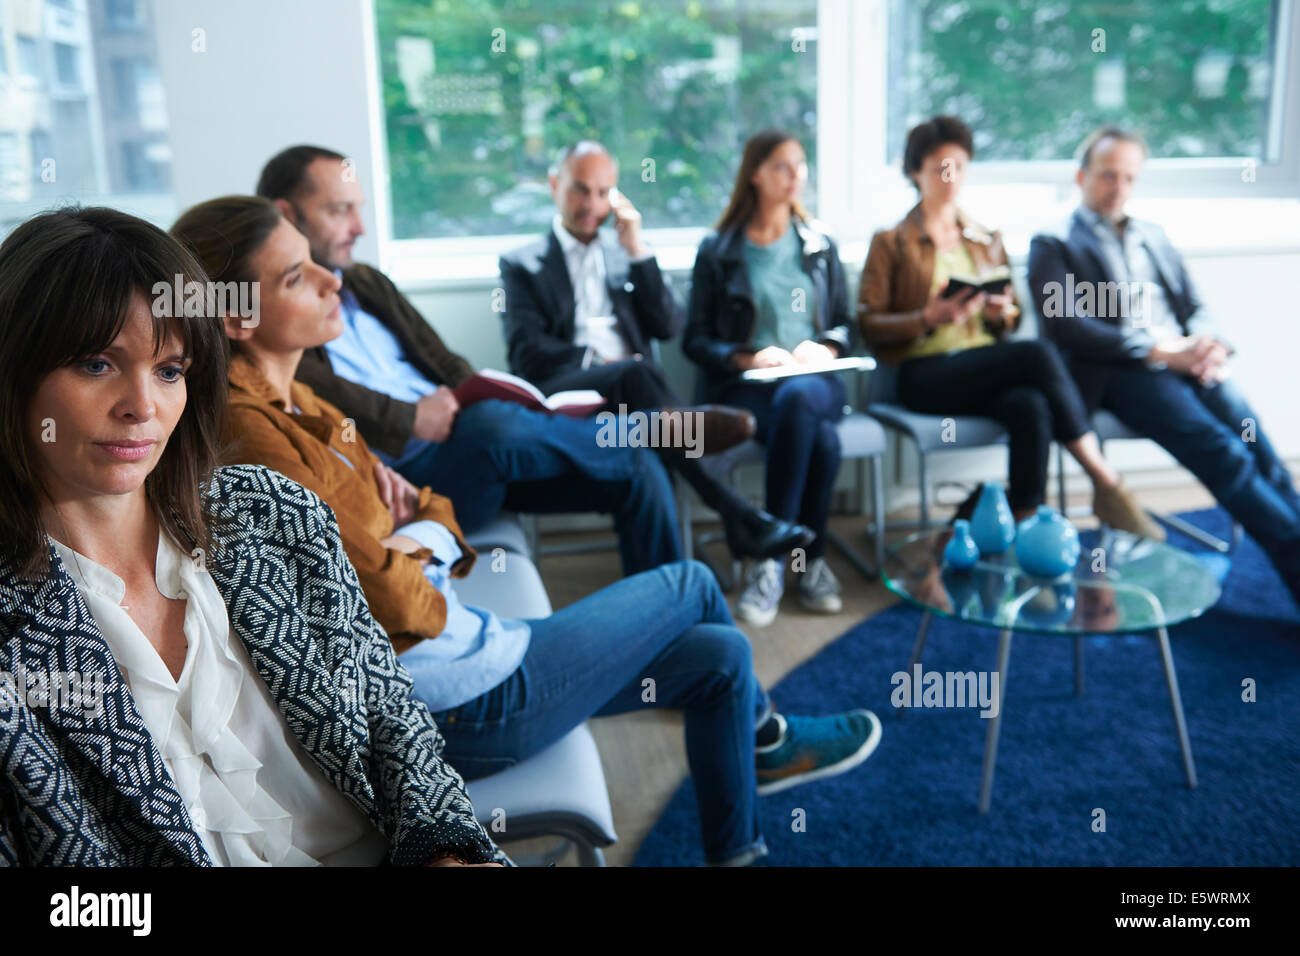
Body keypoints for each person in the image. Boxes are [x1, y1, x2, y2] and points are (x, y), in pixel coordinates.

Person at [170, 195, 884, 867]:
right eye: (299, 276)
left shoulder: (302, 401)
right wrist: (414, 541)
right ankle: (771, 738)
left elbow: (429, 508)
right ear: (236, 318)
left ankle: (741, 842)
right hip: (456, 708)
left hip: (470, 651)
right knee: (694, 581)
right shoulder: (251, 435)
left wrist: (416, 537)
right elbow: (393, 601)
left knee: (724, 654)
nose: (334, 280)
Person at [0, 207, 505, 866]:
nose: (142, 406)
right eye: (98, 364)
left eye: (170, 370)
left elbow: (392, 721)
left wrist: (446, 853)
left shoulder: (273, 516)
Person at [252, 146, 684, 576]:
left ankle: (674, 607)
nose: (360, 227)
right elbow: (319, 395)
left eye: (358, 210)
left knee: (639, 471)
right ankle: (651, 431)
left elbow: (440, 356)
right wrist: (413, 418)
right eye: (339, 211)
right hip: (417, 475)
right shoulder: (272, 317)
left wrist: (473, 393)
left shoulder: (365, 282)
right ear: (287, 215)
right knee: (494, 426)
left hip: (472, 449)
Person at [499, 140, 814, 561]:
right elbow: (526, 355)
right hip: (570, 395)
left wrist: (637, 251)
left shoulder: (623, 252)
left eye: (602, 192)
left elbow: (670, 326)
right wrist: (600, 363)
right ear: (555, 185)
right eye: (579, 189)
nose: (591, 203)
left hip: (634, 403)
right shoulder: (522, 263)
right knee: (638, 376)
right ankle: (737, 514)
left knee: (649, 415)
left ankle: (717, 539)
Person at [1028, 125, 1300, 609]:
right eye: (1108, 176)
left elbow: (1193, 304)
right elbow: (1065, 325)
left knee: (1257, 445)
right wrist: (1158, 352)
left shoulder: (1151, 234)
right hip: (1117, 371)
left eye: (1129, 178)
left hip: (1185, 359)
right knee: (1224, 452)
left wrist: (1208, 343)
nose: (1119, 188)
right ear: (1082, 176)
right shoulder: (1053, 241)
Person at [858, 115, 1160, 541]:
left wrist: (1002, 316)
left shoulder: (985, 238)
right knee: (1036, 353)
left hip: (979, 366)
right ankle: (1104, 479)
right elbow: (869, 323)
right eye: (940, 168)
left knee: (1030, 403)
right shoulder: (890, 241)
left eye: (959, 167)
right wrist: (927, 318)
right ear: (915, 172)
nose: (951, 179)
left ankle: (1025, 522)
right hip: (923, 373)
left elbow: (1013, 314)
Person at [683, 130, 856, 627]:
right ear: (755, 174)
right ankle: (811, 559)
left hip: (815, 380)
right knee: (820, 438)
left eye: (801, 165)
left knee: (802, 399)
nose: (795, 176)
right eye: (782, 166)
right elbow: (694, 339)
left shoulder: (819, 244)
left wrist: (821, 347)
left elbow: (844, 325)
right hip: (747, 390)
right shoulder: (718, 251)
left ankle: (771, 557)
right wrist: (749, 358)